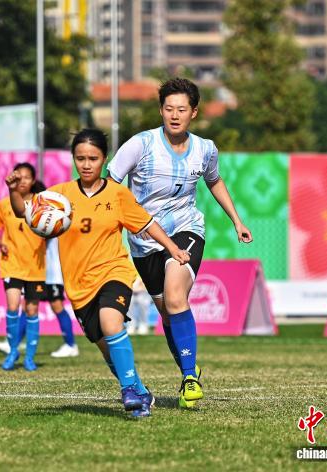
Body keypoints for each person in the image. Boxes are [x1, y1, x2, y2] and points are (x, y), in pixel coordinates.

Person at [7, 129, 190, 418]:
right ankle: (139, 390)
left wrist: (172, 248)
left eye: (93, 158)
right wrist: (14, 191)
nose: (86, 164)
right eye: (80, 158)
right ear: (74, 159)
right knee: (107, 348)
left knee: (110, 321)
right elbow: (23, 212)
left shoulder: (117, 194)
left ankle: (129, 391)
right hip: (79, 286)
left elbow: (146, 223)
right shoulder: (59, 195)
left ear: (104, 159)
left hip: (114, 271)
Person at [107, 77, 253, 409]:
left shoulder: (205, 149)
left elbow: (214, 181)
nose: (175, 115)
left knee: (175, 296)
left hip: (186, 230)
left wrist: (237, 220)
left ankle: (189, 378)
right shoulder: (140, 145)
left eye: (182, 109)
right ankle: (190, 368)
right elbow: (110, 184)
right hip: (144, 241)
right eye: (169, 109)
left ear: (194, 112)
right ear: (161, 110)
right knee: (168, 314)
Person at [0, 162, 46, 372]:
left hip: (35, 266)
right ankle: (12, 351)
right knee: (12, 307)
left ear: (33, 180)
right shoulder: (4, 204)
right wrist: (0, 243)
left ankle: (29, 357)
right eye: (19, 177)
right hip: (11, 264)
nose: (22, 181)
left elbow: (51, 228)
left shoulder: (42, 203)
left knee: (32, 310)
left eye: (27, 177)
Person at [0, 223, 79, 358]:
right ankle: (14, 343)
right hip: (38, 271)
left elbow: (46, 235)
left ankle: (70, 345)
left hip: (52, 272)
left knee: (57, 305)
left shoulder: (52, 220)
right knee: (27, 306)